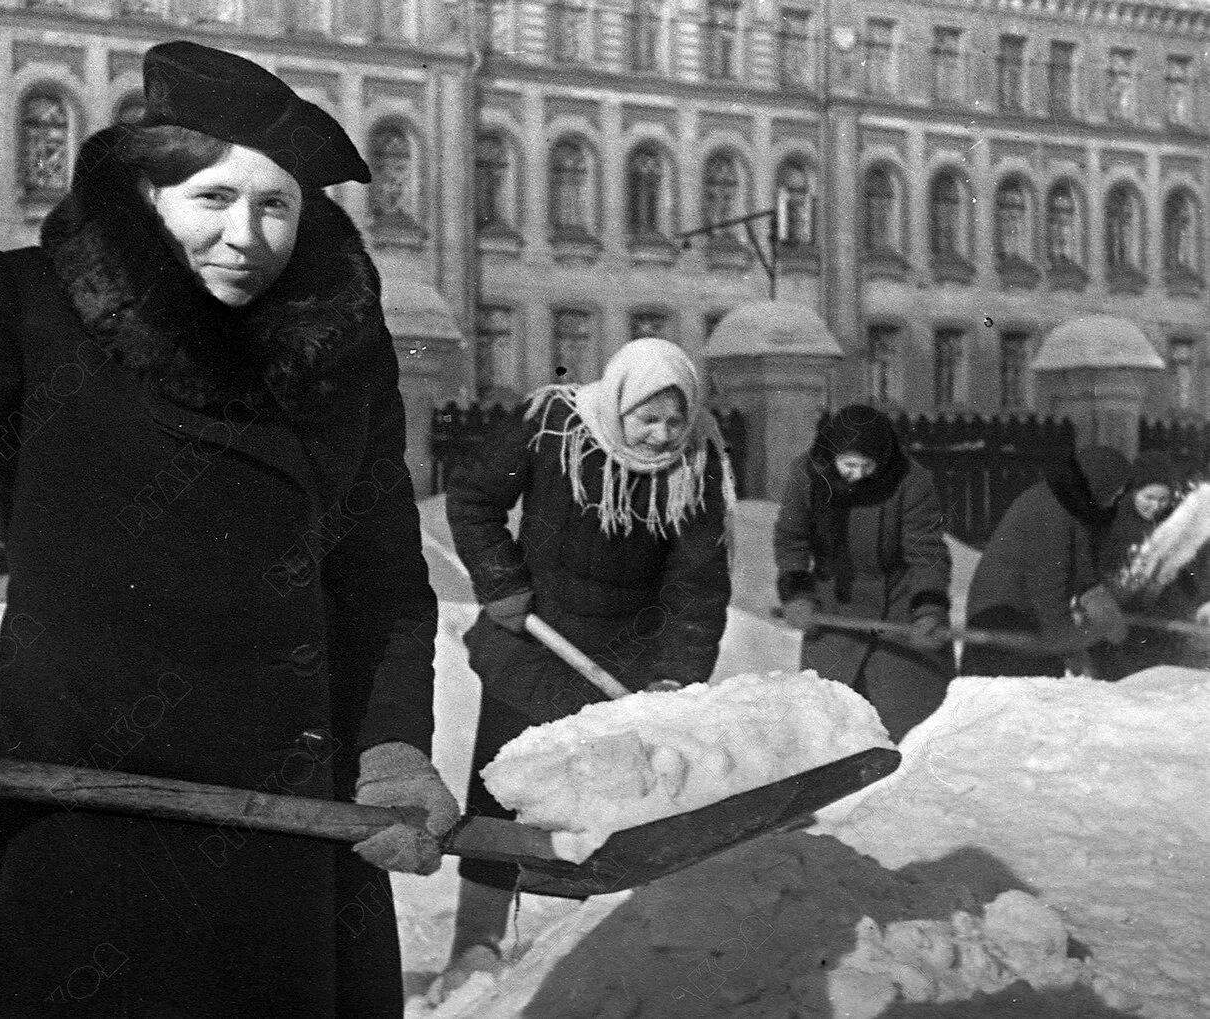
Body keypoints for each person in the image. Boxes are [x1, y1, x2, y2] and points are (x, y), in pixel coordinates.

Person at [0, 42, 456, 1017]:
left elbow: (381, 584)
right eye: (213, 197)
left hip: (295, 815)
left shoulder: (343, 353)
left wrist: (393, 750)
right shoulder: (32, 306)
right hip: (86, 810)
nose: (245, 234)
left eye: (275, 204)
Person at [440, 338, 734, 997]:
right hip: (531, 645)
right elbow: (473, 497)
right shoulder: (553, 425)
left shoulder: (698, 464)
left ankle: (579, 955)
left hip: (624, 663)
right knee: (501, 793)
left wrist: (676, 679)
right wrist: (500, 581)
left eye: (673, 421)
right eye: (646, 419)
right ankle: (476, 942)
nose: (660, 436)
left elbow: (698, 583)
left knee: (603, 809)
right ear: (620, 401)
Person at [773, 404, 955, 742]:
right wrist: (797, 594)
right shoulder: (807, 476)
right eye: (848, 465)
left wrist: (929, 611)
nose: (856, 474)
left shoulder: (911, 482)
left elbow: (926, 554)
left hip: (899, 612)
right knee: (828, 729)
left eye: (867, 466)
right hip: (833, 612)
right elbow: (791, 540)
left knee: (915, 733)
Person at [961, 446, 1132, 679]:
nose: (1114, 502)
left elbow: (1081, 564)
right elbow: (1048, 590)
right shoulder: (1049, 513)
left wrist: (1093, 593)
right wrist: (1070, 646)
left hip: (1024, 619)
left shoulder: (1071, 506)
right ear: (1097, 484)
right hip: (1001, 622)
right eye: (1113, 493)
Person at [1091, 451, 1206, 679]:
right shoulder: (1112, 524)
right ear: (1134, 492)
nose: (1155, 506)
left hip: (1159, 626)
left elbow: (1187, 574)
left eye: (1163, 500)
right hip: (1117, 628)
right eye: (1149, 497)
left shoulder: (1171, 526)